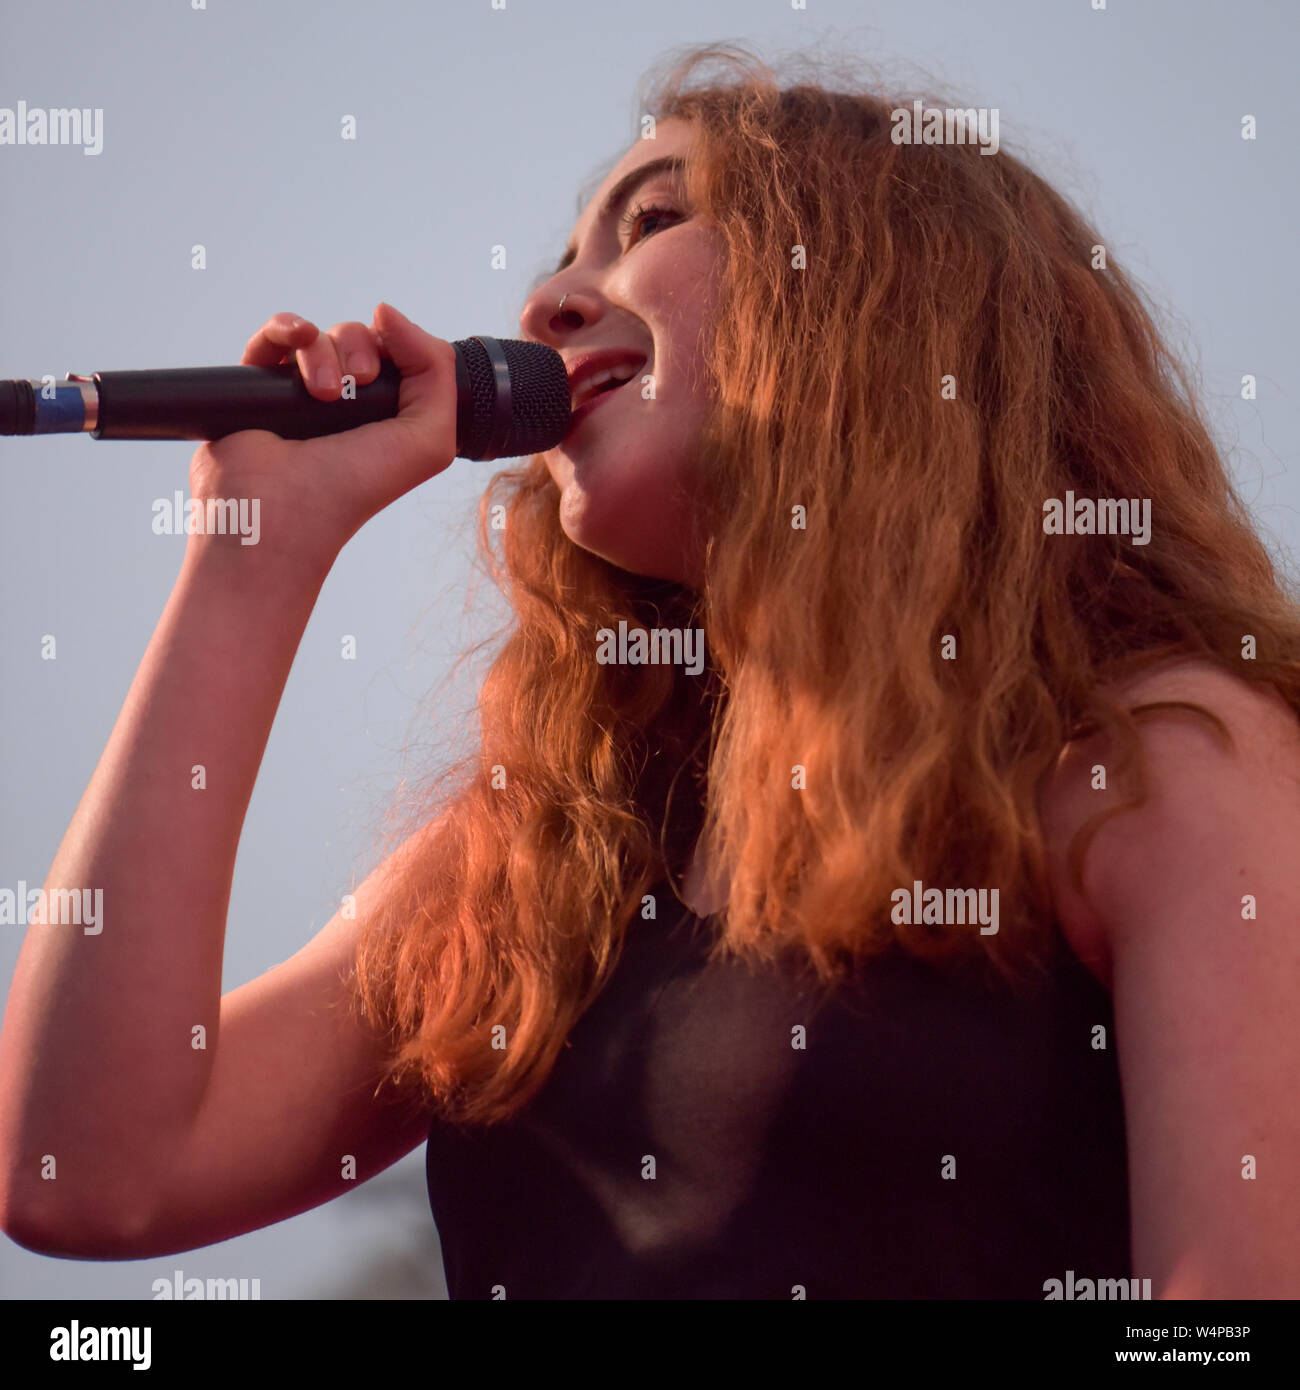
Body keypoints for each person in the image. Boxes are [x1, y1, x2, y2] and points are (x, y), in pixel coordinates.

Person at [2, 43, 1298, 1300]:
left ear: (877, 296)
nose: (545, 306)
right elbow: (83, 1171)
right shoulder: (538, 850)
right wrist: (251, 552)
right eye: (564, 256)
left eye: (653, 219)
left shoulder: (1152, 763)